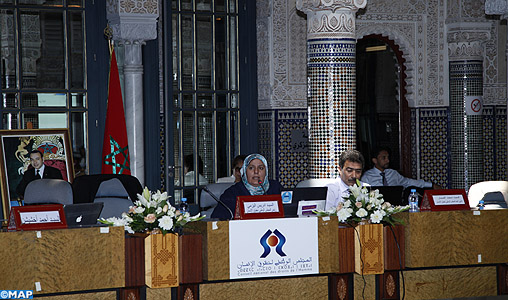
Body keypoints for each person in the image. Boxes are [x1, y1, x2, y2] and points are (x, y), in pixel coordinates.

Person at [211, 153, 282, 220]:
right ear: (244, 171)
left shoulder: (275, 188)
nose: (256, 171)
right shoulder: (232, 193)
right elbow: (217, 219)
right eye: (251, 168)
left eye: (261, 168)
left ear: (266, 171)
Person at [361, 146, 441, 189]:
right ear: (375, 160)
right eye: (384, 158)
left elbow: (408, 182)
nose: (387, 160)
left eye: (388, 157)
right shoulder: (367, 177)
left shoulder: (393, 173)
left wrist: (431, 185)